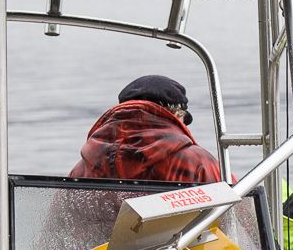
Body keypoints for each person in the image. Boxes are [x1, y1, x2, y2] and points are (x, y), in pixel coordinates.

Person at [69, 75, 223, 185]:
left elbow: (55, 224)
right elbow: (239, 217)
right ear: (176, 116)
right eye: (182, 121)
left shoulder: (81, 170)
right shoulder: (196, 162)